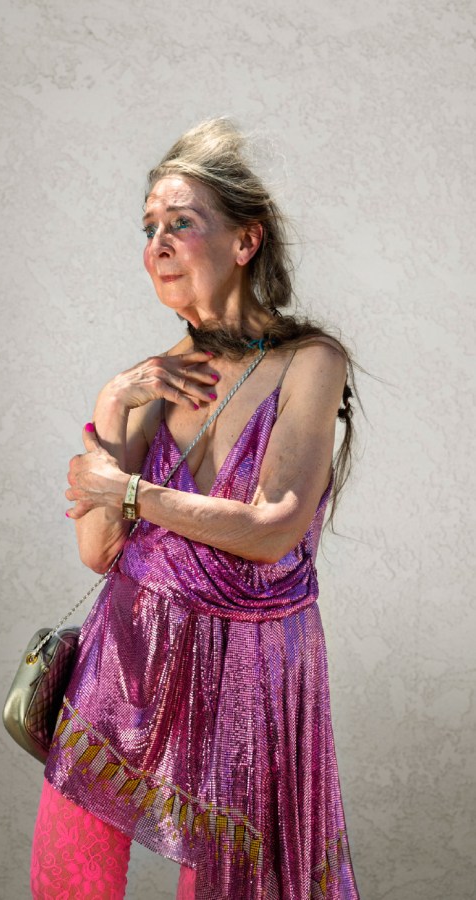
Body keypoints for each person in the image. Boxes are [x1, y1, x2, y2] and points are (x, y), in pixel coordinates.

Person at [30, 118, 360, 900]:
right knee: (68, 871)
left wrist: (132, 489)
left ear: (245, 243)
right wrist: (112, 403)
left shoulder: (309, 362)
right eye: (149, 228)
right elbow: (98, 548)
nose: (159, 243)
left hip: (251, 668)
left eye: (182, 222)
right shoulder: (156, 379)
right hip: (128, 653)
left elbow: (273, 526)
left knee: (237, 882)